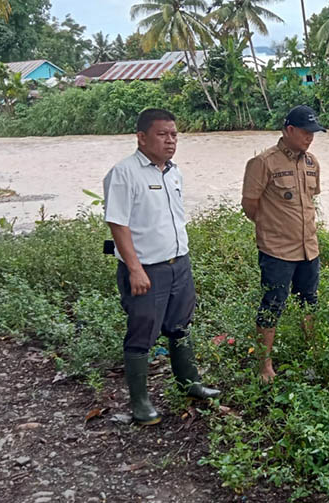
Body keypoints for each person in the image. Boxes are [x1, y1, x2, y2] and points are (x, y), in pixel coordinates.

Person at [103, 108, 219, 426]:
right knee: (142, 333)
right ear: (141, 137)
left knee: (180, 325)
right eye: (162, 134)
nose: (170, 141)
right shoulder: (124, 173)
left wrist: (183, 260)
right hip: (146, 269)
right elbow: (118, 224)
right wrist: (134, 268)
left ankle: (190, 383)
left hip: (178, 263)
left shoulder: (173, 172)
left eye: (174, 134)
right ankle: (140, 403)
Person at [242, 105, 326, 382]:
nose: (310, 137)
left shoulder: (312, 162)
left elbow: (311, 202)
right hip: (277, 250)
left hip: (308, 248)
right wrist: (273, 228)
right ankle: (264, 366)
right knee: (272, 304)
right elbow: (250, 206)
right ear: (289, 130)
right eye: (305, 132)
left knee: (309, 303)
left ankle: (310, 355)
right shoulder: (263, 163)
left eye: (313, 132)